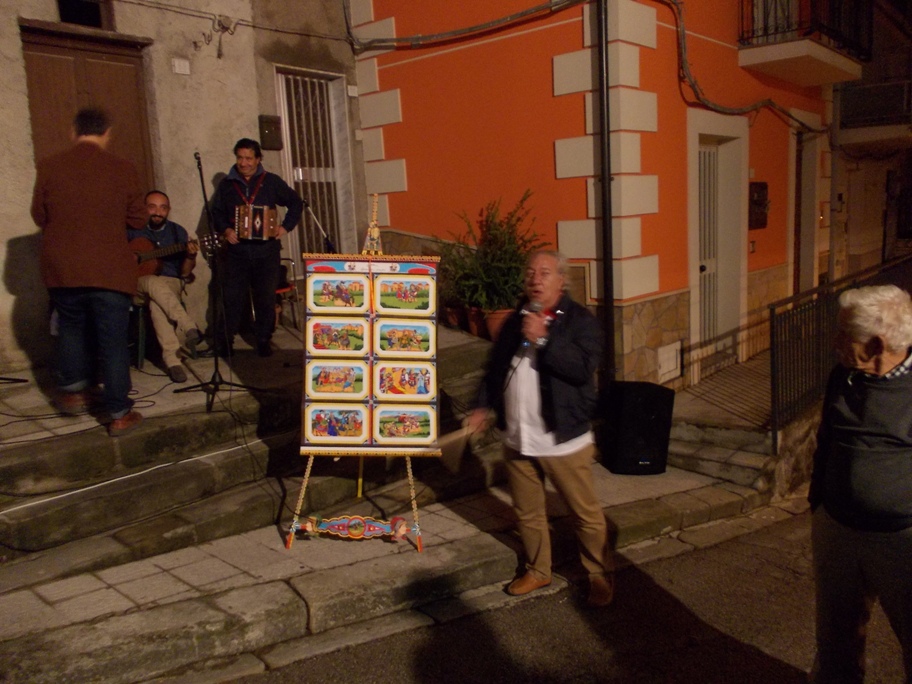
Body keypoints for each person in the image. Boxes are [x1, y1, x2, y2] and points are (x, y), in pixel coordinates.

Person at [468, 250, 614, 607]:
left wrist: (544, 339)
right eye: (530, 272)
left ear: (561, 280)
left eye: (544, 272)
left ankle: (598, 574)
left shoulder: (580, 320)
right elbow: (496, 369)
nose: (535, 279)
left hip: (562, 439)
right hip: (518, 437)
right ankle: (538, 569)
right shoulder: (517, 318)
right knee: (528, 511)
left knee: (585, 514)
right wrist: (481, 405)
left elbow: (581, 369)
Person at [809, 284, 912, 683]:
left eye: (844, 334)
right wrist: (818, 501)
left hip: (901, 539)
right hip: (836, 528)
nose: (835, 342)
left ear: (877, 344)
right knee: (835, 639)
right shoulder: (843, 375)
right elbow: (827, 438)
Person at [31, 107, 146, 436]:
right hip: (109, 268)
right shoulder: (123, 168)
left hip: (64, 268)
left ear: (74, 131)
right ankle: (119, 413)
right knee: (113, 340)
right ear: (107, 133)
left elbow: (39, 216)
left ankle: (73, 391)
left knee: (70, 328)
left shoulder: (50, 165)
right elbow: (138, 218)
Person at [211, 138, 304, 357]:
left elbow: (295, 202)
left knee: (265, 298)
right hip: (237, 252)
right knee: (232, 298)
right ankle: (226, 341)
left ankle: (263, 339)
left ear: (258, 159)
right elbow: (216, 213)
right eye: (240, 158)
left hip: (266, 252)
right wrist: (226, 230)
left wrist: (285, 227)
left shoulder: (271, 181)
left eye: (248, 158)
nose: (243, 163)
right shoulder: (226, 185)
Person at [127, 190, 203, 383]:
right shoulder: (132, 231)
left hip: (170, 282)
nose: (158, 212)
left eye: (163, 208)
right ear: (144, 208)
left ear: (168, 210)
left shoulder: (178, 232)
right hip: (138, 284)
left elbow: (184, 274)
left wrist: (191, 256)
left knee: (157, 301)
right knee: (152, 281)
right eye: (152, 207)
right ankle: (188, 325)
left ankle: (172, 362)